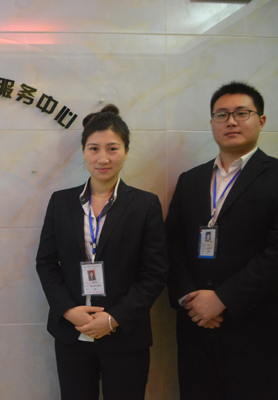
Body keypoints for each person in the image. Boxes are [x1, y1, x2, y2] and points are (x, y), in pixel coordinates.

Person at [36, 105, 168, 400]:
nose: (103, 158)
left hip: (125, 335)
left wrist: (113, 318)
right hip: (72, 333)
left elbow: (155, 273)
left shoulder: (145, 205)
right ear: (83, 151)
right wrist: (67, 310)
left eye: (112, 148)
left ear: (126, 151)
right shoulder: (60, 202)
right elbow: (46, 263)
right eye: (94, 148)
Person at [166, 81, 278, 399]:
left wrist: (223, 298)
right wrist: (189, 298)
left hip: (255, 327)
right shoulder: (191, 180)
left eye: (241, 113)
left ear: (261, 120)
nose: (231, 121)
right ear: (212, 122)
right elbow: (171, 242)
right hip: (195, 327)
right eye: (222, 114)